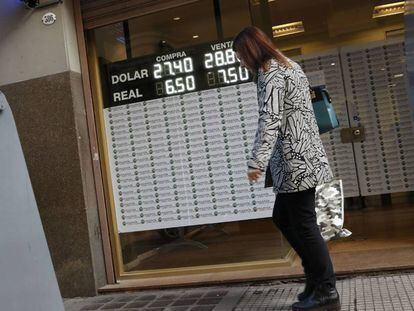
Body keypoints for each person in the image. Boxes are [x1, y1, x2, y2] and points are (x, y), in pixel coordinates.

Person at [232, 26, 340, 311]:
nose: (241, 63)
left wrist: (256, 162)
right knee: (284, 217)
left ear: (250, 51)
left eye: (240, 57)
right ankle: (315, 279)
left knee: (303, 225)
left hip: (297, 161)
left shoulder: (271, 73)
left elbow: (270, 119)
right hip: (303, 157)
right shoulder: (289, 65)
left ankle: (326, 290)